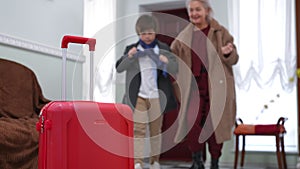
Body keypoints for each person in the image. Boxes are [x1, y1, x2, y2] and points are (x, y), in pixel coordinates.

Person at [170, 0, 239, 169]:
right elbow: (174, 58)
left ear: (207, 11)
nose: (194, 13)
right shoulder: (183, 37)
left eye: (198, 10)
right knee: (193, 125)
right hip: (193, 89)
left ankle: (214, 162)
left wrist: (227, 53)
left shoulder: (220, 32)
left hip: (216, 88)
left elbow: (234, 58)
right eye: (191, 10)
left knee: (215, 125)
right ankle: (197, 161)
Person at [115, 14, 178, 169]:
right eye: (143, 33)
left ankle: (154, 161)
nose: (147, 36)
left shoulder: (163, 48)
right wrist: (129, 57)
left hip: (158, 96)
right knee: (138, 130)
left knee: (156, 130)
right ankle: (137, 162)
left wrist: (167, 61)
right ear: (138, 33)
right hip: (138, 96)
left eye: (150, 33)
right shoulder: (132, 49)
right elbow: (119, 68)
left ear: (155, 32)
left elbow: (175, 68)